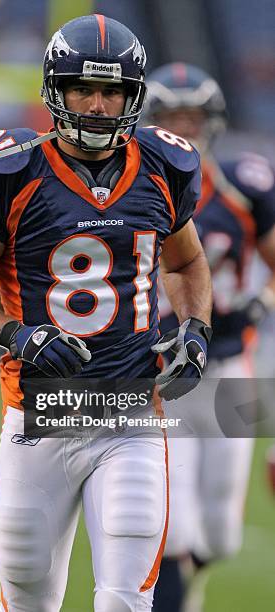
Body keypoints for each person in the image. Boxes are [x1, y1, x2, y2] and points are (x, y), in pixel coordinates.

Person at [0, 15, 213, 612]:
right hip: (38, 417)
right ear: (57, 89)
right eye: (84, 88)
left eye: (113, 91)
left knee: (125, 601)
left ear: (134, 98)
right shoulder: (10, 172)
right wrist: (16, 335)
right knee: (28, 602)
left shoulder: (163, 167)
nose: (99, 105)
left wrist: (195, 332)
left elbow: (185, 266)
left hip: (130, 415)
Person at [143, 63, 275, 612]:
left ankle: (186, 585)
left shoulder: (243, 186)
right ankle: (173, 596)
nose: (182, 128)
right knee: (172, 529)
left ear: (212, 122)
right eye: (170, 117)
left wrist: (262, 300)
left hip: (231, 370)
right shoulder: (133, 194)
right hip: (162, 376)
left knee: (221, 536)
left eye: (190, 117)